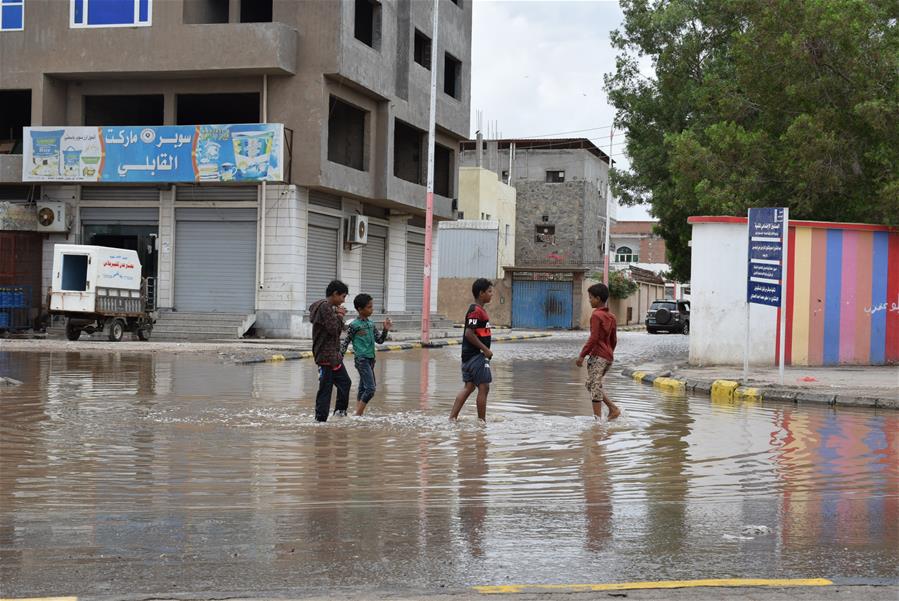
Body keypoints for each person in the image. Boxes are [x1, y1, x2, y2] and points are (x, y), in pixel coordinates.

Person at [449, 278, 494, 422]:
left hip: (468, 357)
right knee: (484, 387)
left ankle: (452, 418)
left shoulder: (479, 310)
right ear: (481, 293)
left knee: (469, 387)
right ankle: (482, 423)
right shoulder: (475, 311)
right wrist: (485, 350)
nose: (491, 294)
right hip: (476, 356)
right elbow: (469, 333)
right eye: (489, 291)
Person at [340, 293, 392, 416]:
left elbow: (379, 340)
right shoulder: (354, 325)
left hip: (371, 360)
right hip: (361, 359)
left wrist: (385, 329)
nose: (372, 309)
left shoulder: (371, 324)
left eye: (372, 306)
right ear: (359, 309)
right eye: (369, 307)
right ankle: (358, 414)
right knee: (371, 388)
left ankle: (358, 414)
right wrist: (339, 357)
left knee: (363, 387)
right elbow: (346, 341)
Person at [576, 282, 621, 420]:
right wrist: (609, 354)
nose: (589, 300)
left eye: (591, 298)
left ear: (598, 298)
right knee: (591, 384)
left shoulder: (596, 315)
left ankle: (597, 422)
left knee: (594, 387)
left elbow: (593, 338)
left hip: (598, 356)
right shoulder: (611, 316)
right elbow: (614, 340)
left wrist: (582, 355)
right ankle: (612, 408)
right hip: (608, 357)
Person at [309, 279, 350, 422]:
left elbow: (336, 327)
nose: (343, 301)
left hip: (333, 356)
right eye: (343, 296)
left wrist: (338, 316)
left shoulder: (327, 307)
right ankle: (320, 420)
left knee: (345, 383)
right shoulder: (325, 307)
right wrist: (339, 316)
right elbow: (334, 329)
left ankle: (339, 414)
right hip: (326, 355)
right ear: (334, 294)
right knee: (326, 389)